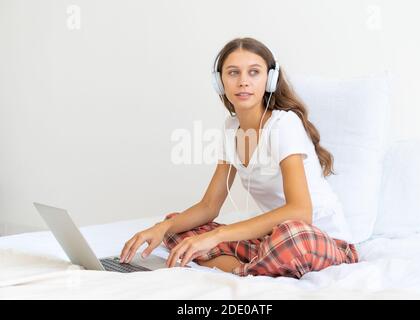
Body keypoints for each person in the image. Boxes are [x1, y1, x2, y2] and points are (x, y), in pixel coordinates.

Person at [120, 37, 359, 279]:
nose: (243, 81)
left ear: (270, 79)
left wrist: (217, 236)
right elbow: (209, 206)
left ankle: (241, 269)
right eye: (233, 73)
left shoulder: (283, 124)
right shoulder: (230, 128)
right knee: (176, 227)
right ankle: (253, 266)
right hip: (270, 239)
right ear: (219, 82)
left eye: (254, 72)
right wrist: (161, 228)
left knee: (291, 235)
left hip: (317, 241)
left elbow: (300, 212)